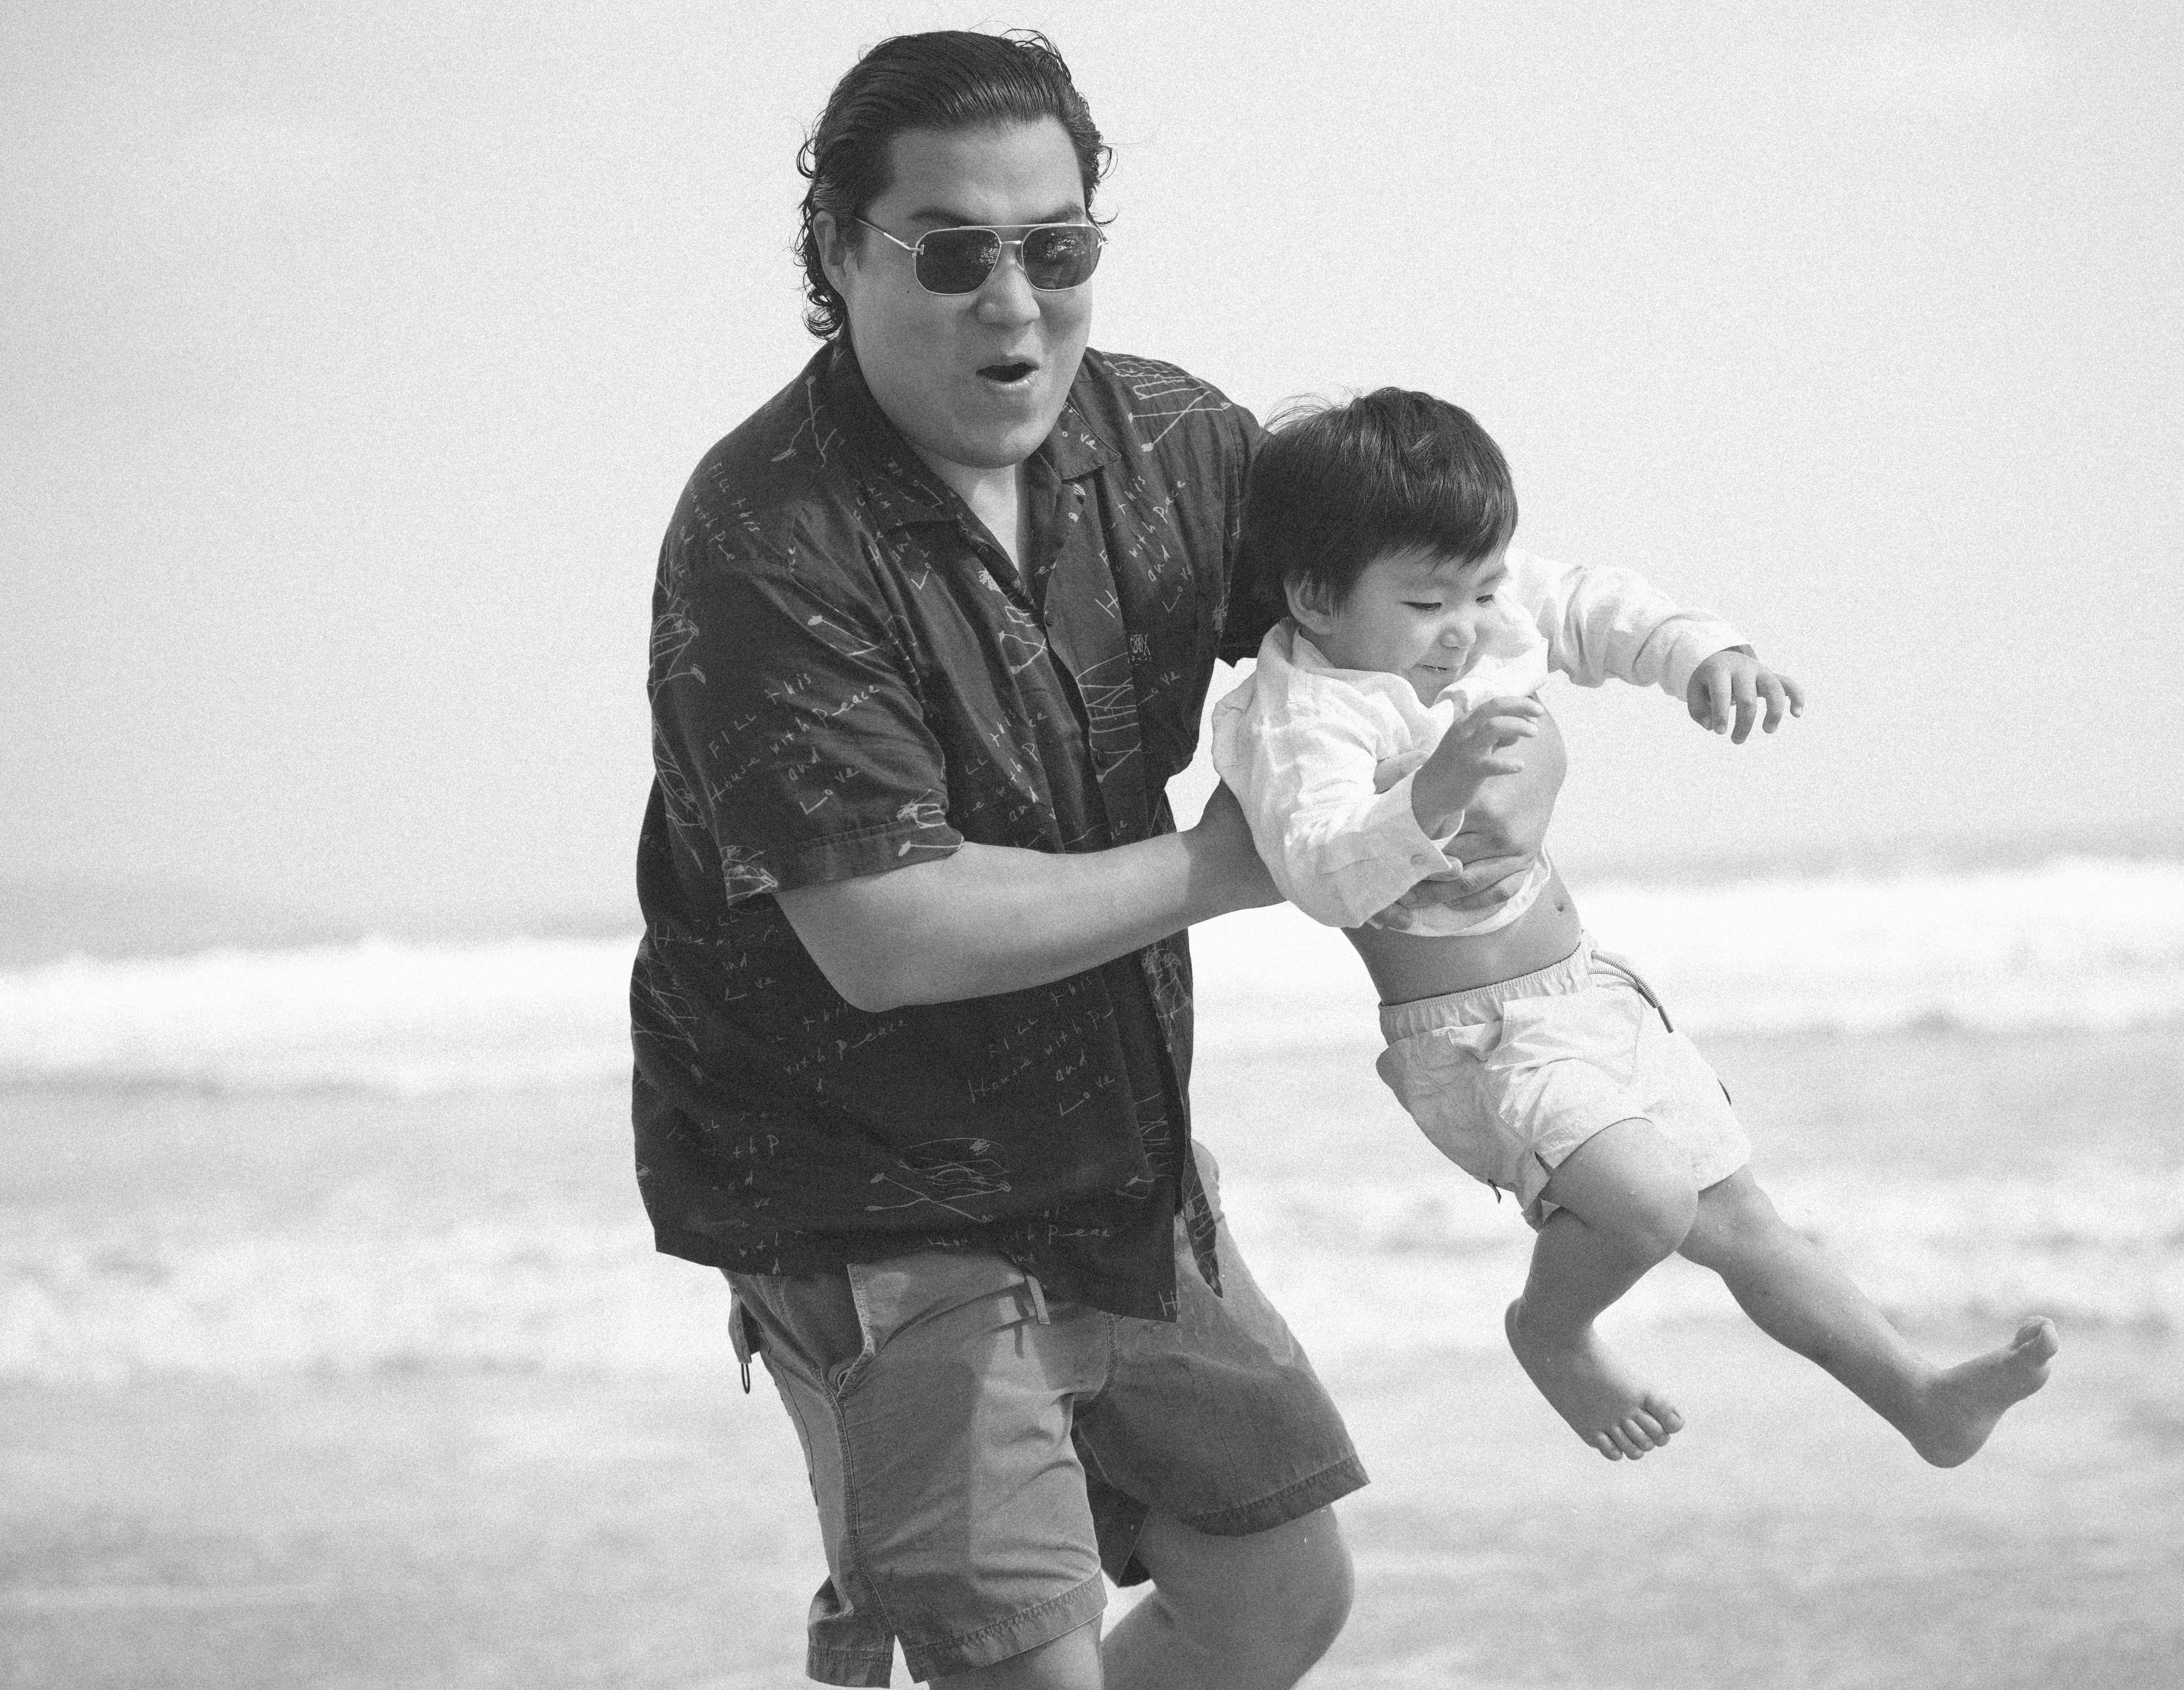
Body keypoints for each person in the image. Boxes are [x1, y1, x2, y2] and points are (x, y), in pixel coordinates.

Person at [633, 31, 1553, 1690]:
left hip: (1114, 1170)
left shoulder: (1179, 446)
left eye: (1055, 250)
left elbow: (1398, 633)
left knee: (1277, 1593)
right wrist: (1238, 863)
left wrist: (1508, 768)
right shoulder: (766, 537)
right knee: (1021, 1663)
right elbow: (891, 932)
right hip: (868, 1200)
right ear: (841, 255)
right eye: (952, 252)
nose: (1015, 301)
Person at [1211, 387, 2059, 1465]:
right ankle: (1551, 1330)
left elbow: (1587, 606)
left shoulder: (1478, 613)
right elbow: (1320, 869)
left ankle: (1920, 1397)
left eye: (1482, 589)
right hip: (1479, 1040)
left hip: (1589, 991)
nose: (1466, 627)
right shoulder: (1301, 715)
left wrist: (1702, 654)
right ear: (1315, 597)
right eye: (1427, 603)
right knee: (1649, 1202)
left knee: (1742, 1219)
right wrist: (1430, 793)